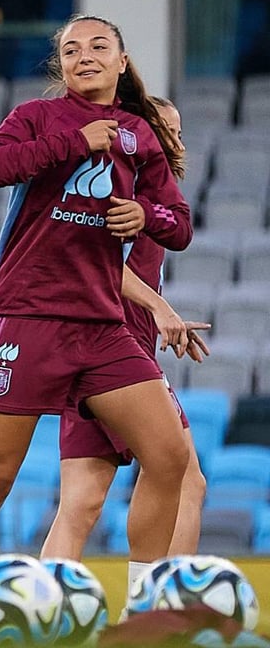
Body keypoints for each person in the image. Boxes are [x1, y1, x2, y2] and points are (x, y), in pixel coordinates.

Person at [0, 15, 193, 582]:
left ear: (122, 62)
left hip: (103, 327)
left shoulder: (140, 134)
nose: (85, 57)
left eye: (99, 47)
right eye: (72, 49)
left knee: (170, 456)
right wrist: (76, 142)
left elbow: (178, 224)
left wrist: (144, 214)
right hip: (27, 316)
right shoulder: (37, 117)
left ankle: (142, 604)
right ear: (61, 65)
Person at [41, 96, 209, 564]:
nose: (177, 143)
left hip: (86, 351)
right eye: (166, 132)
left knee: (80, 503)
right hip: (118, 353)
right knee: (185, 478)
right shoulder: (122, 192)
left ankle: (42, 600)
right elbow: (92, 263)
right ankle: (164, 596)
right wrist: (160, 308)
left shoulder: (147, 198)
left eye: (178, 133)